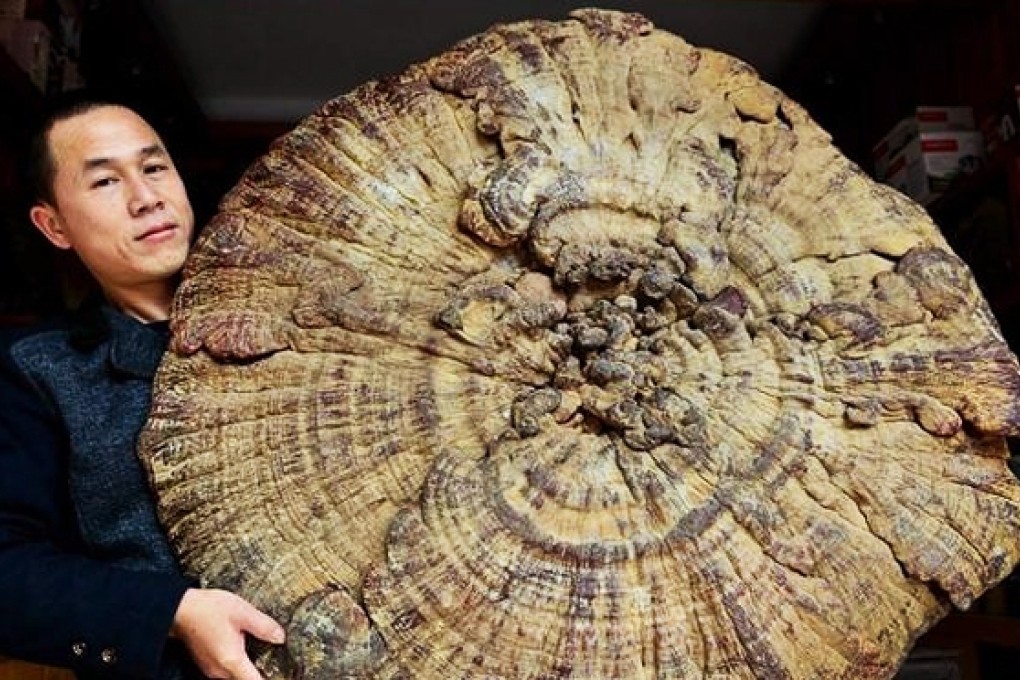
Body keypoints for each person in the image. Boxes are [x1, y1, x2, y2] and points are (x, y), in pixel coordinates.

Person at [0, 96, 286, 680]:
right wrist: (172, 612)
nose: (146, 197)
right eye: (105, 181)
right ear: (54, 225)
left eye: (154, 168)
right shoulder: (38, 370)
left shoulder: (304, 315)